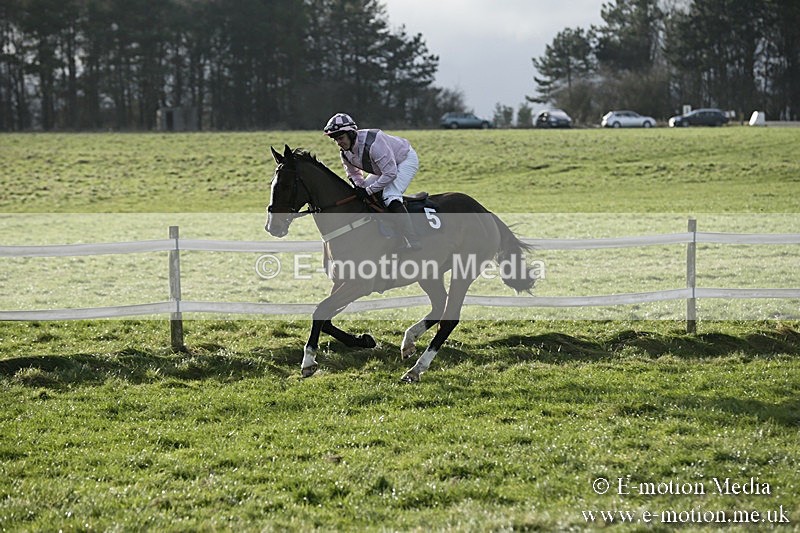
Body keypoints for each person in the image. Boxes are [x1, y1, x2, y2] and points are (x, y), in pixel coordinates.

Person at [323, 113, 422, 250]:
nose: (339, 143)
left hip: (404, 160)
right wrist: (360, 187)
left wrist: (368, 191)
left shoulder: (374, 144)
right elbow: (353, 173)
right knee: (361, 196)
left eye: (341, 138)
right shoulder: (345, 153)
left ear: (351, 134)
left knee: (390, 195)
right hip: (385, 168)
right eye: (336, 140)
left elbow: (390, 174)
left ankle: (412, 240)